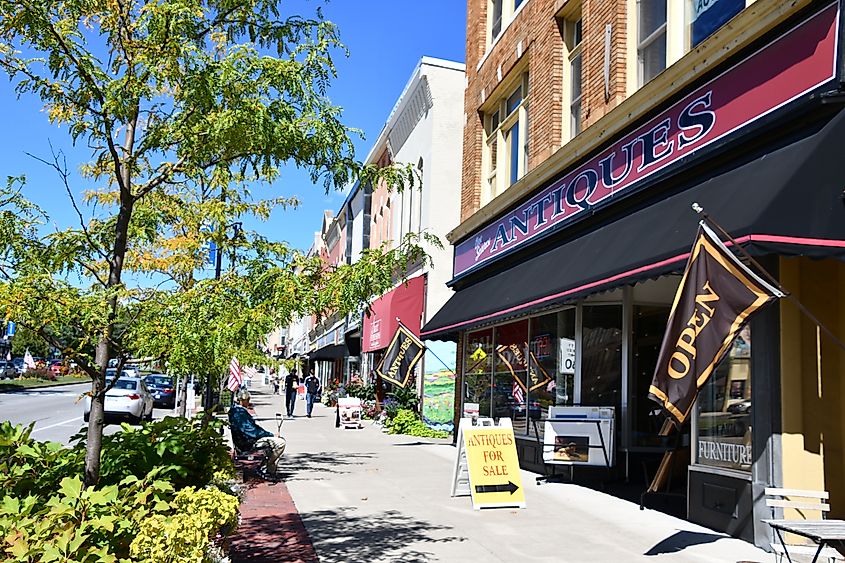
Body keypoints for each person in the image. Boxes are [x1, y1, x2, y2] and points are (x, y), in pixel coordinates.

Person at [228, 389, 286, 477]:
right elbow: (252, 431)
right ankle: (268, 467)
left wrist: (267, 434)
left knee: (274, 441)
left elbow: (253, 428)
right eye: (246, 400)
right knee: (280, 443)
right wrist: (271, 435)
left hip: (245, 440)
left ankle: (269, 469)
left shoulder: (236, 411)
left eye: (247, 399)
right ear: (241, 401)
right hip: (248, 442)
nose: (247, 402)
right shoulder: (239, 413)